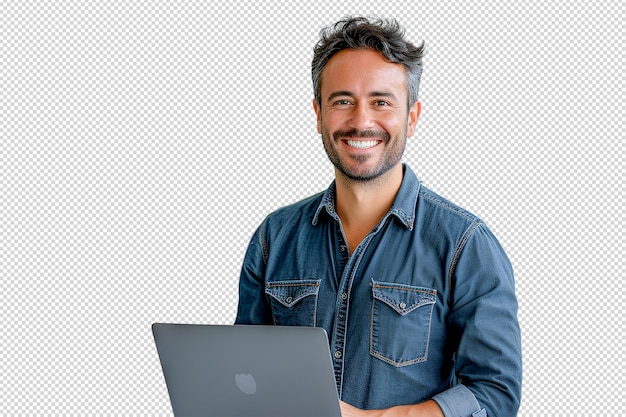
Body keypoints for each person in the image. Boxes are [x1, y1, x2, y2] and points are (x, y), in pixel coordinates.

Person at [235, 16, 522, 417]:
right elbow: (242, 376)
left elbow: (495, 394)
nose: (361, 120)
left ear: (413, 116)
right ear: (318, 114)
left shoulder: (464, 244)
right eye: (342, 101)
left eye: (381, 102)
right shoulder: (273, 238)